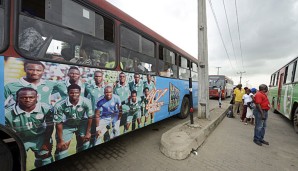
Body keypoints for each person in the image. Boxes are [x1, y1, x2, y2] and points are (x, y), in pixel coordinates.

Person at [5, 87, 54, 167]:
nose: (27, 100)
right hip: (20, 138)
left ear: (36, 98)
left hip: (39, 137)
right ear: (17, 98)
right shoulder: (7, 113)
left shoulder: (46, 108)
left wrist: (46, 141)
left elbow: (50, 126)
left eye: (31, 97)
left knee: (45, 156)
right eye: (23, 97)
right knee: (17, 161)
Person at [54, 84, 93, 160]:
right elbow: (58, 123)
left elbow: (90, 117)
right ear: (68, 93)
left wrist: (88, 132)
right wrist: (61, 140)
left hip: (82, 123)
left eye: (76, 92)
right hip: (67, 125)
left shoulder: (86, 102)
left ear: (80, 92)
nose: (74, 94)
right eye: (71, 93)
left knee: (85, 140)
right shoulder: (59, 105)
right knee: (62, 147)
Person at [85, 71, 106, 147]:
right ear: (94, 78)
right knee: (91, 136)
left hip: (103, 117)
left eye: (99, 76)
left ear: (102, 78)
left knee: (100, 135)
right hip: (92, 117)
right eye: (96, 76)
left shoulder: (106, 89)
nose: (98, 78)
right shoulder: (89, 88)